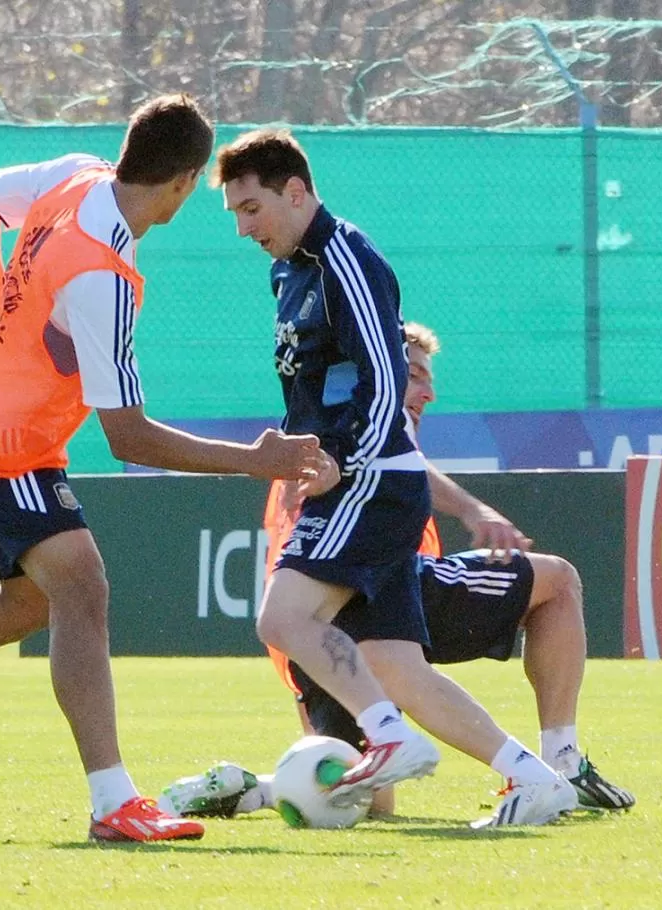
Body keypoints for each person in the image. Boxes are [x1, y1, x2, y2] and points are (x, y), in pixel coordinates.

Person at [0, 95, 333, 845]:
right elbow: (130, 437)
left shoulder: (76, 175)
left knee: (29, 602)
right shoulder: (105, 279)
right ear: (184, 182)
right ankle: (113, 801)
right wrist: (255, 463)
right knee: (81, 585)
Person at [196, 128, 577, 828]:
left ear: (297, 192)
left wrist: (340, 456)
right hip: (352, 475)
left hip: (370, 480)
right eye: (236, 215)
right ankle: (537, 779)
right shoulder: (288, 272)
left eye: (253, 209)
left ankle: (393, 740)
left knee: (282, 617)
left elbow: (384, 379)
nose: (246, 228)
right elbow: (315, 388)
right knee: (399, 667)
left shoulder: (349, 260)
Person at [160, 322, 635, 821]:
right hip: (372, 594)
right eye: (412, 375)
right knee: (555, 582)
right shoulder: (355, 422)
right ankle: (550, 770)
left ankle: (249, 788)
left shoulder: (332, 426)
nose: (426, 392)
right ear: (381, 372)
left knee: (362, 793)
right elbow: (389, 464)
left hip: (320, 641)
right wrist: (473, 511)